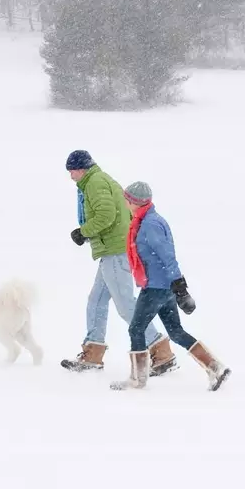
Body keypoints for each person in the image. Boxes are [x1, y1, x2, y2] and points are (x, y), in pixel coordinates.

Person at [60, 150, 177, 375]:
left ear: (81, 168)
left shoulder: (94, 182)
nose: (71, 176)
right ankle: (93, 353)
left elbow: (106, 215)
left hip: (115, 250)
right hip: (112, 250)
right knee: (96, 301)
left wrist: (83, 232)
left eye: (72, 171)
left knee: (125, 304)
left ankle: (160, 350)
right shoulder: (97, 180)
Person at [112, 181, 230, 391]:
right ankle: (214, 367)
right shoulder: (148, 219)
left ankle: (137, 380)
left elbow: (167, 255)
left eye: (127, 199)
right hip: (163, 286)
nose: (125, 202)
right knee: (175, 332)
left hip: (157, 287)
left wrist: (179, 285)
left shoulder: (150, 225)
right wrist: (174, 286)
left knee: (136, 329)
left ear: (135, 202)